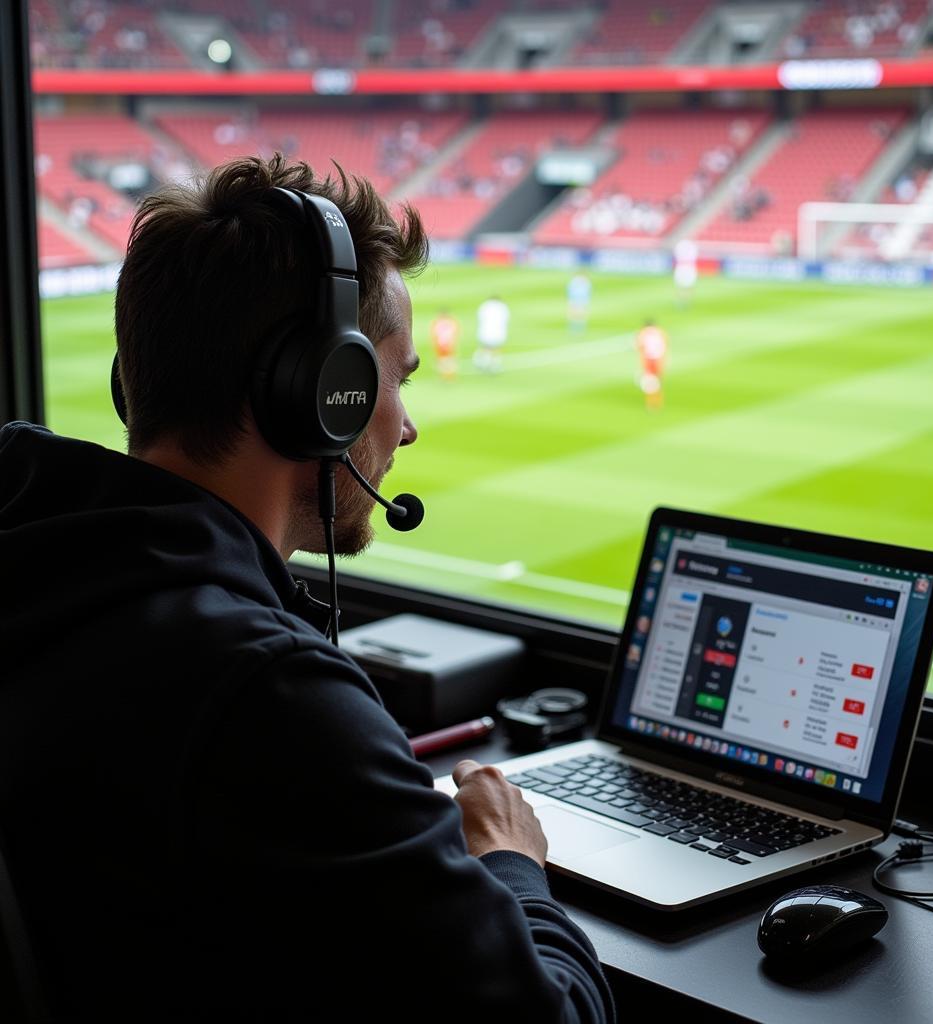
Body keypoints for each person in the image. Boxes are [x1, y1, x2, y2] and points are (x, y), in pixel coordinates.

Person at [0, 155, 614, 1022]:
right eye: (393, 378)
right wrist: (510, 860)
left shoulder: (48, 568)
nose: (405, 423)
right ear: (326, 393)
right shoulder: (263, 694)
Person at [636, 318, 669, 410]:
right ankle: (657, 402)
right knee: (657, 381)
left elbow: (640, 347)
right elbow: (665, 345)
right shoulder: (660, 332)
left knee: (649, 382)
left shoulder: (643, 333)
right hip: (658, 359)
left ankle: (651, 403)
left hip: (649, 359)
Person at [474, 294, 510, 372]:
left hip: (486, 330)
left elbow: (480, 317)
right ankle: (494, 365)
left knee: (486, 347)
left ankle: (483, 361)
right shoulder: (502, 307)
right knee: (496, 348)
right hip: (498, 331)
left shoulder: (485, 306)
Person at [429, 306, 460, 378]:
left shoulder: (437, 322)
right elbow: (455, 333)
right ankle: (449, 375)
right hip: (448, 344)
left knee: (442, 360)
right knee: (449, 359)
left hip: (441, 344)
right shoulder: (451, 322)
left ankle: (445, 375)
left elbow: (434, 334)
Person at [672, 238, 698, 304]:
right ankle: (685, 300)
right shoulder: (692, 246)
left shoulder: (679, 245)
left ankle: (683, 301)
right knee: (686, 286)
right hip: (687, 267)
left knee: (682, 286)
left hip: (684, 267)